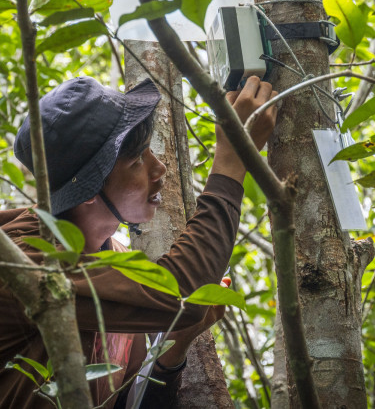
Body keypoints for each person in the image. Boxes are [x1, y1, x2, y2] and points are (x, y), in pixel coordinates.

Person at [0, 75, 277, 408]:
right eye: (136, 162)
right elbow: (179, 291)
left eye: (148, 153)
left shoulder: (113, 256)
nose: (158, 168)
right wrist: (232, 161)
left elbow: (125, 404)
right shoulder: (24, 262)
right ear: (87, 190)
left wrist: (173, 348)